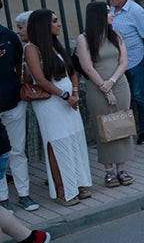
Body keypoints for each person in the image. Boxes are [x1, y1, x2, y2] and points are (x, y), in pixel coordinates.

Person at [24, 10, 93, 206]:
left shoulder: (55, 46)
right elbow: (40, 79)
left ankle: (78, 183)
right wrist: (64, 96)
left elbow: (71, 70)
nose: (59, 24)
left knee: (74, 139)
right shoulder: (32, 48)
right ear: (43, 24)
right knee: (57, 142)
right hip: (51, 104)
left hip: (69, 101)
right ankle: (63, 188)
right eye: (54, 21)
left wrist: (75, 93)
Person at [75, 2, 135, 187]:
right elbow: (87, 67)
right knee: (104, 126)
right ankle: (108, 170)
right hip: (97, 87)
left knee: (121, 124)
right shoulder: (84, 39)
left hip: (119, 84)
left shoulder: (116, 35)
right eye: (108, 12)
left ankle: (121, 168)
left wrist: (112, 82)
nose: (112, 15)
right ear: (98, 15)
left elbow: (123, 62)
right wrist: (105, 88)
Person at [107, 0, 144, 145]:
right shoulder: (110, 10)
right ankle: (122, 130)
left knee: (138, 95)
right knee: (120, 97)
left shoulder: (136, 11)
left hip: (134, 59)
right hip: (115, 61)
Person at [0, 13, 39, 213]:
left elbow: (18, 66)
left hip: (13, 102)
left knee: (17, 150)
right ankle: (3, 198)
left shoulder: (8, 36)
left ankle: (24, 194)